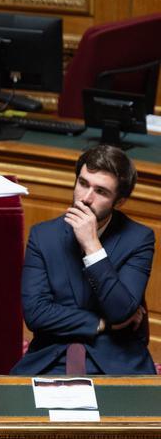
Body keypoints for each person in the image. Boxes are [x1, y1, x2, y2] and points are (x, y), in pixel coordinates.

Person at [11, 145, 155, 375]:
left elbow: (121, 311)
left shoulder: (139, 239)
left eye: (101, 191)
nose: (86, 198)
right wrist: (103, 323)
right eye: (83, 183)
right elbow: (36, 315)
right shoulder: (43, 235)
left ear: (119, 202)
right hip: (52, 355)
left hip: (117, 360)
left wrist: (92, 245)